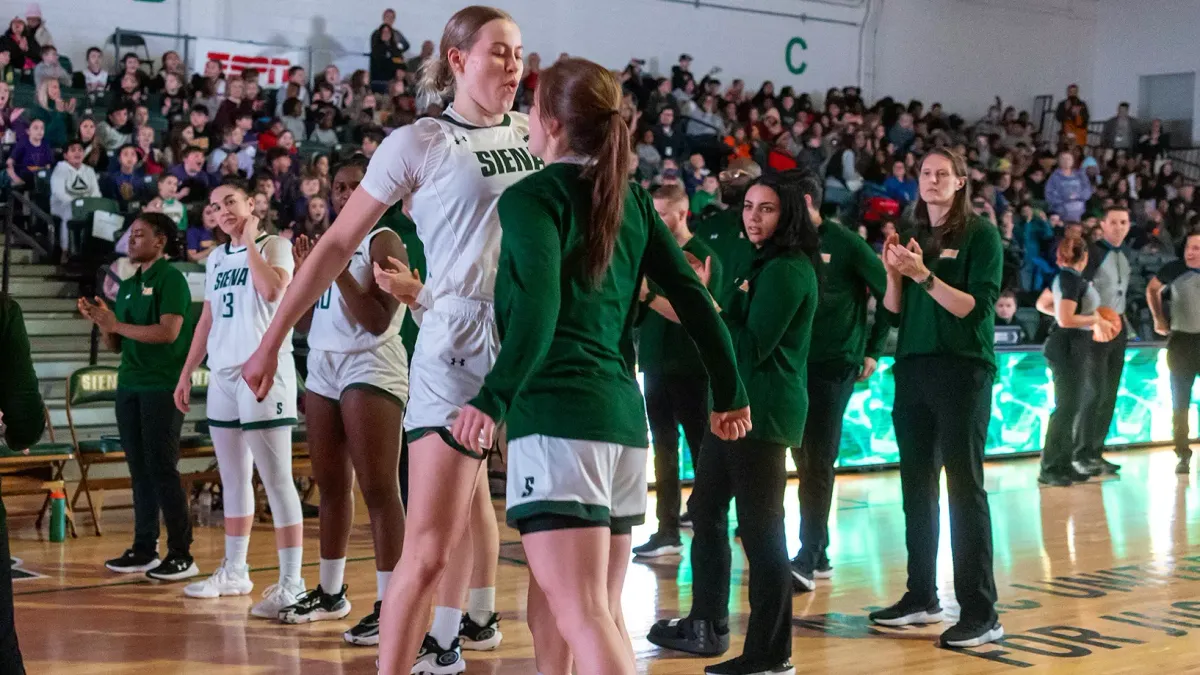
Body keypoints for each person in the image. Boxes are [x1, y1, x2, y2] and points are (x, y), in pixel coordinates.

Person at [239, 8, 539, 674]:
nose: (514, 65)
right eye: (498, 52)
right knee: (439, 526)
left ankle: (470, 624)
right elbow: (339, 243)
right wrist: (271, 340)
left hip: (532, 332)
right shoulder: (421, 141)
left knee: (541, 535)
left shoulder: (534, 132)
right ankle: (438, 641)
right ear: (457, 60)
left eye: (519, 53)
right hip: (456, 331)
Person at [450, 56, 746, 675]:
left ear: (550, 121)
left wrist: (494, 395)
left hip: (558, 417)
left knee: (581, 610)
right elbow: (695, 298)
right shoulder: (632, 201)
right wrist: (730, 390)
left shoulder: (534, 195)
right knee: (590, 609)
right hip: (620, 423)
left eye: (532, 111)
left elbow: (538, 302)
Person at [649, 169, 817, 675]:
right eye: (749, 207)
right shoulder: (764, 263)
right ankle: (708, 624)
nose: (753, 216)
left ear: (787, 213)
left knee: (761, 531)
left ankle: (772, 654)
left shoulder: (788, 269)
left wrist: (705, 302)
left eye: (765, 208)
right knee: (706, 509)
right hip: (736, 407)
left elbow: (749, 345)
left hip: (761, 414)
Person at [870, 148, 1004, 648]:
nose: (931, 181)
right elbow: (896, 313)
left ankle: (982, 612)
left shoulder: (981, 234)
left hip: (962, 368)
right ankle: (921, 596)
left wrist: (924, 274)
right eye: (925, 173)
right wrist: (893, 273)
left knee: (964, 490)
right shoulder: (912, 233)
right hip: (913, 367)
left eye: (941, 174)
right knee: (916, 488)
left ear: (960, 183)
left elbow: (973, 309)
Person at [274, 157, 410, 644]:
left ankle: (391, 604)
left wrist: (334, 270)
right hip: (325, 363)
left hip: (371, 363)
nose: (347, 192)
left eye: (356, 185)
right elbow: (314, 321)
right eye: (339, 186)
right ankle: (331, 593)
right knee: (329, 485)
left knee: (378, 487)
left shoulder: (384, 239)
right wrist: (303, 281)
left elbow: (376, 319)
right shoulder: (332, 242)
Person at [173, 181, 308, 618]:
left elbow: (272, 292)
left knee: (276, 479)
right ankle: (235, 569)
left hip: (264, 371)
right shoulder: (214, 258)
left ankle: (292, 581)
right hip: (223, 375)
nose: (222, 211)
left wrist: (249, 241)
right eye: (214, 206)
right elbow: (207, 320)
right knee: (232, 478)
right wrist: (187, 370)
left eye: (230, 202)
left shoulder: (277, 246)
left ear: (252, 205)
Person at [77, 214, 200, 579]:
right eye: (130, 235)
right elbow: (116, 343)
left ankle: (182, 553)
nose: (131, 241)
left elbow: (168, 333)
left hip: (162, 385)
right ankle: (144, 546)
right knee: (139, 470)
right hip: (129, 383)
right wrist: (103, 322)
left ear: (160, 241)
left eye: (139, 235)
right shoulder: (129, 285)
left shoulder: (171, 279)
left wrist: (116, 323)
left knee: (162, 468)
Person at [788, 170, 888, 588]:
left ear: (807, 204)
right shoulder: (787, 243)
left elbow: (890, 291)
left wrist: (873, 348)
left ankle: (808, 555)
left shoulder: (846, 243)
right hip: (793, 364)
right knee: (802, 457)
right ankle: (820, 549)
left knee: (818, 459)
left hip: (835, 364)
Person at [632, 184, 724, 559]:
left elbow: (696, 313)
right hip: (654, 364)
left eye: (661, 213)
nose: (654, 220)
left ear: (682, 213)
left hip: (692, 367)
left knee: (702, 448)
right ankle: (667, 528)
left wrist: (647, 296)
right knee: (664, 451)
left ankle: (709, 518)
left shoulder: (704, 256)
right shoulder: (651, 254)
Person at [1036, 234, 1109, 488]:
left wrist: (1065, 314)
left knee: (1072, 406)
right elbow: (1066, 320)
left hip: (1073, 346)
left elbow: (1042, 304)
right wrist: (1095, 320)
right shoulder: (1069, 279)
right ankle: (1050, 466)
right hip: (1067, 346)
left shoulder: (1068, 279)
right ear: (1085, 257)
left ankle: (1063, 463)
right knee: (1066, 408)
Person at [1078, 207, 1132, 476]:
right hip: (1095, 328)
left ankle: (1096, 451)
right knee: (1093, 392)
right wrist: (1092, 318)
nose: (1119, 227)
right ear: (1103, 224)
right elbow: (1080, 288)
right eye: (1113, 222)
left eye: (1124, 222)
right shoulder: (1095, 252)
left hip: (1117, 328)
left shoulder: (1125, 255)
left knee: (1109, 393)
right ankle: (1080, 452)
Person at [1147, 229, 1200, 474]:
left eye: (1198, 248)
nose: (1193, 252)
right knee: (1180, 401)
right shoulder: (1174, 269)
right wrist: (1159, 318)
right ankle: (1182, 453)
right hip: (1182, 341)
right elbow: (1152, 289)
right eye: (1190, 247)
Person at [49, 139, 101, 253]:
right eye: (73, 150)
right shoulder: (60, 169)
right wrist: (76, 204)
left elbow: (96, 193)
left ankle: (97, 251)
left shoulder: (89, 170)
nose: (77, 153)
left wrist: (89, 204)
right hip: (63, 206)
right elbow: (59, 193)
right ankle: (66, 250)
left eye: (80, 150)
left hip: (87, 205)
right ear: (65, 155)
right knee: (70, 212)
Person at [1045, 151, 1093, 223]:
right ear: (1059, 161)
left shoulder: (1080, 175)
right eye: (1063, 159)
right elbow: (1049, 195)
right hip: (1061, 213)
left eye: (1069, 159)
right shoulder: (1054, 177)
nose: (1066, 161)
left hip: (1080, 213)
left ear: (1073, 161)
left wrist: (1077, 196)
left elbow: (1087, 190)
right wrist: (1066, 198)